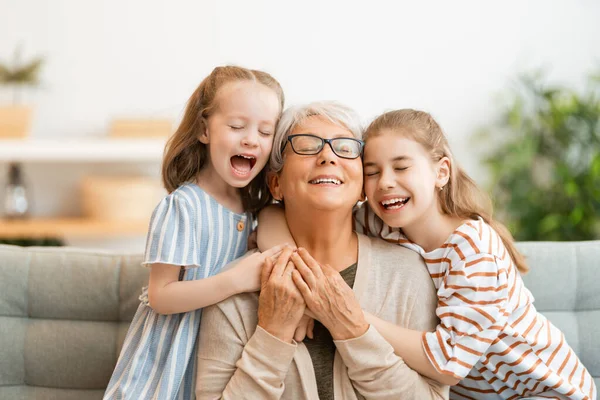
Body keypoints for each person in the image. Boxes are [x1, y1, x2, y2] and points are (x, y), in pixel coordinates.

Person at [195, 102, 449, 399]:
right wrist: (272, 336)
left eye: (345, 148)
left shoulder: (407, 273)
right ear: (275, 184)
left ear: (362, 186)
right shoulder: (233, 291)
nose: (328, 156)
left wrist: (354, 330)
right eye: (306, 146)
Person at [354, 109, 597, 399]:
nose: (385, 182)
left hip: (549, 392)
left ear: (440, 172)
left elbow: (449, 362)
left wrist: (355, 320)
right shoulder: (380, 222)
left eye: (401, 167)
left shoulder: (472, 247)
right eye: (372, 172)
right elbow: (312, 219)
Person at [103, 65, 286, 400]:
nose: (250, 139)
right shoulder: (183, 207)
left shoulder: (252, 209)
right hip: (171, 358)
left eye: (265, 131)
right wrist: (235, 280)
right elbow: (161, 296)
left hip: (221, 354)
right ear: (205, 129)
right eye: (236, 126)